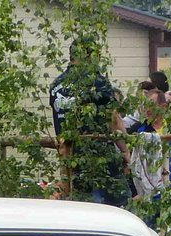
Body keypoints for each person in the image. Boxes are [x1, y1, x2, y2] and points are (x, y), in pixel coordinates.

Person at [51, 38, 129, 205]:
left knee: (77, 205)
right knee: (119, 205)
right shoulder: (97, 81)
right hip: (98, 155)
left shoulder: (56, 85)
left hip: (68, 158)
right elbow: (113, 118)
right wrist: (126, 152)